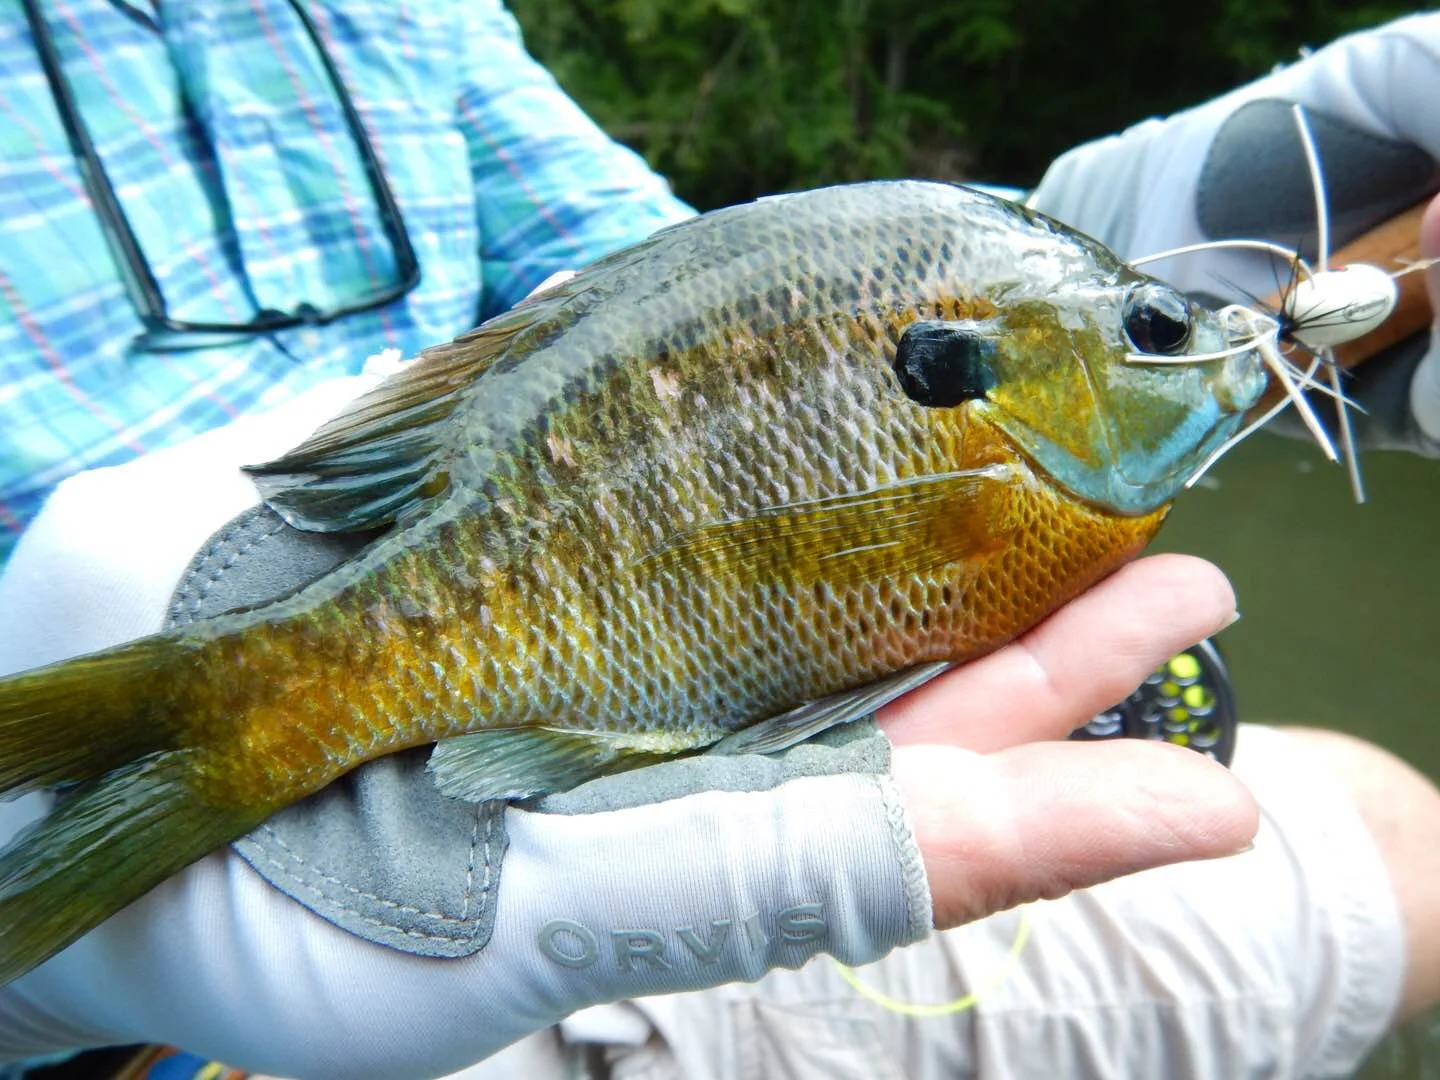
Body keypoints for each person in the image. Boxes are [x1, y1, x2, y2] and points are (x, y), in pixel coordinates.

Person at [0, 5, 1435, 1080]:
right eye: (1150, 335)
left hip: (684, 815)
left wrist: (1077, 237)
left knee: (1403, 832)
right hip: (344, 932)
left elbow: (675, 282)